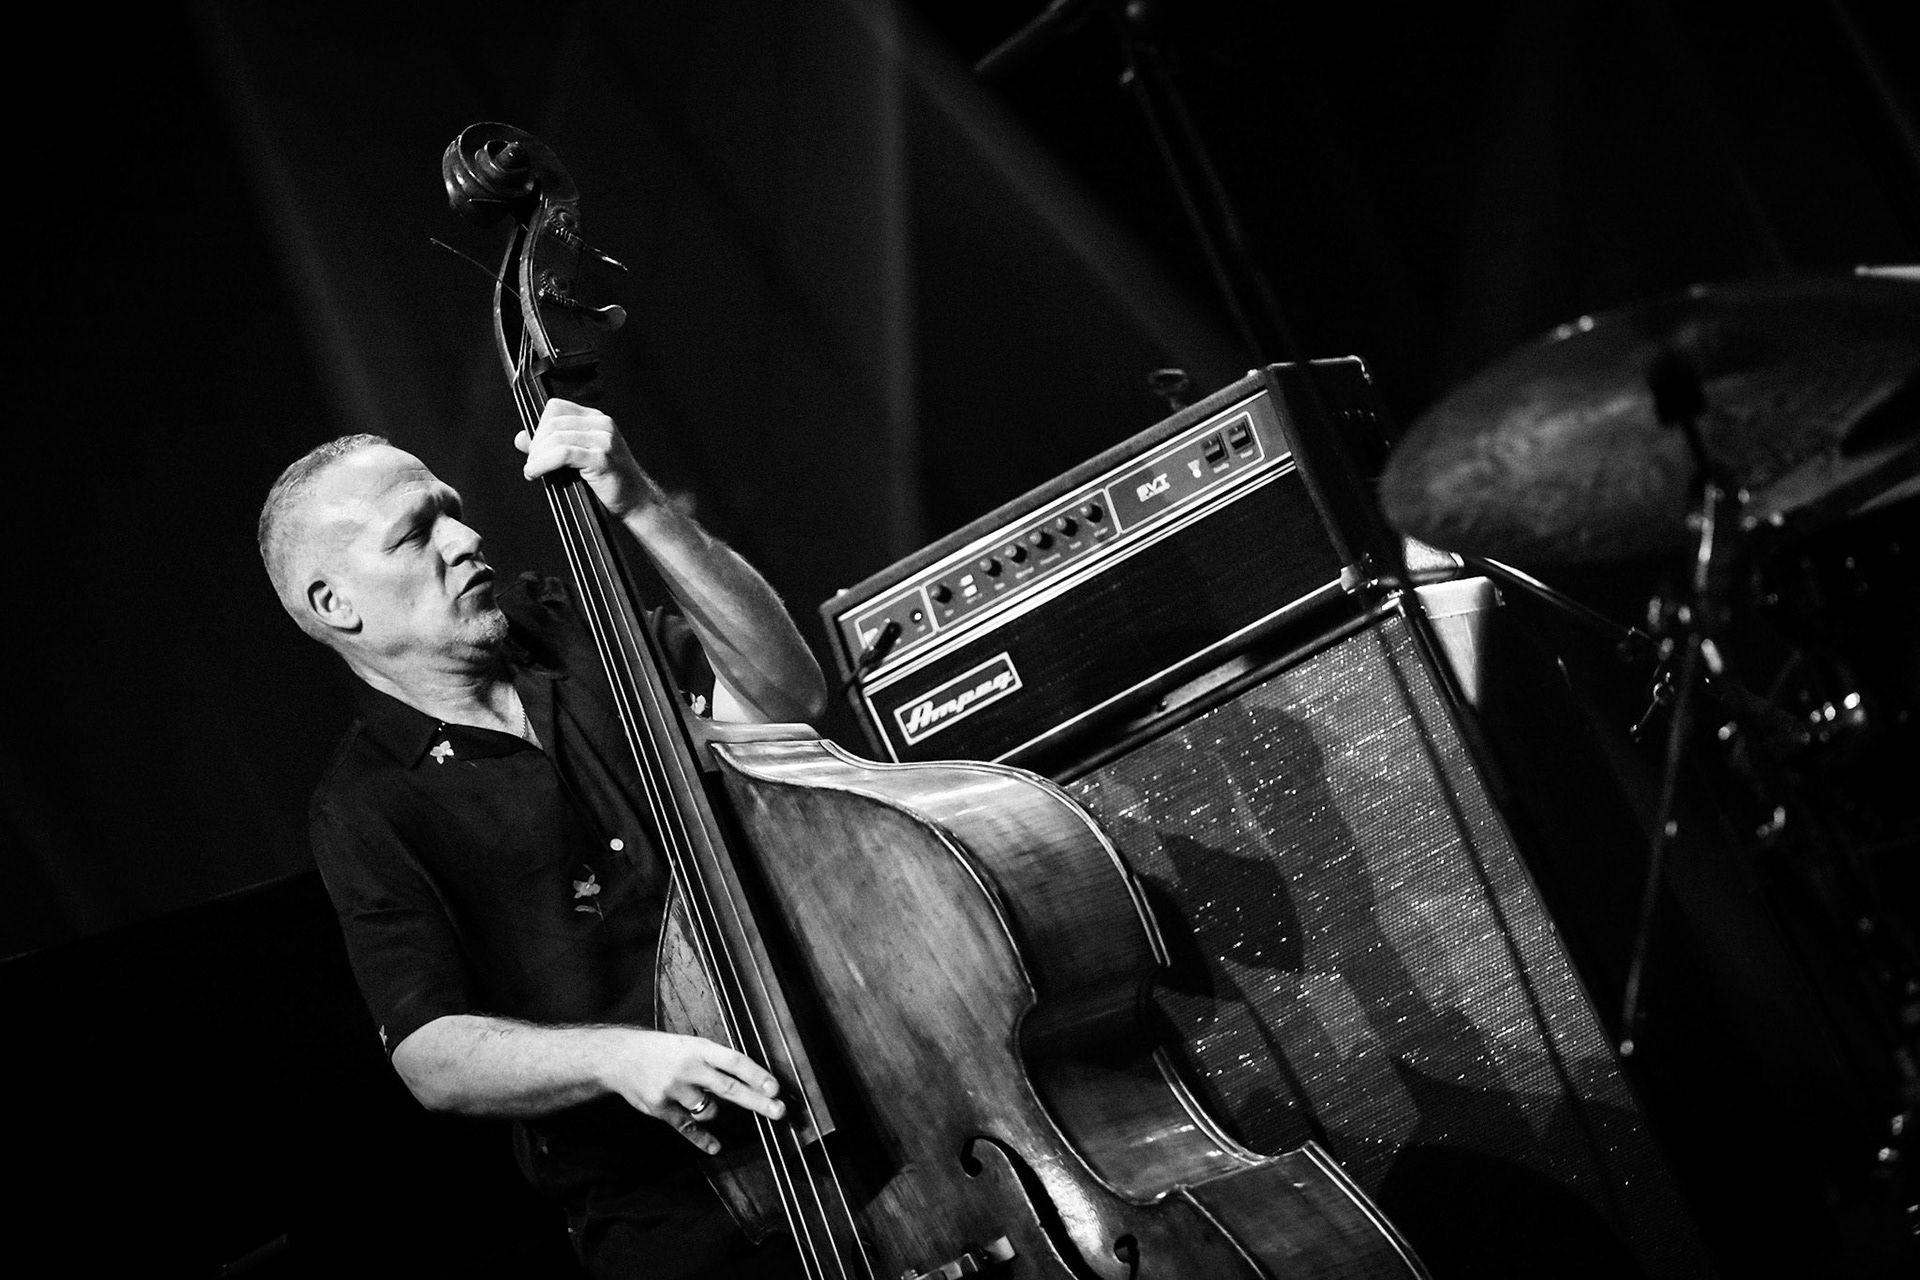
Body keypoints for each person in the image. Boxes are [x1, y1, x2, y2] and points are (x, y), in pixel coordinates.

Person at [258, 397, 826, 1278]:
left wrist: (638, 503)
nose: (465, 539)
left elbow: (788, 698)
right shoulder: (366, 806)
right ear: (336, 605)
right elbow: (430, 1053)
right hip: (684, 1216)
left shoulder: (571, 624)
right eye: (416, 534)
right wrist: (617, 1056)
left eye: (452, 511)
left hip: (848, 1091)